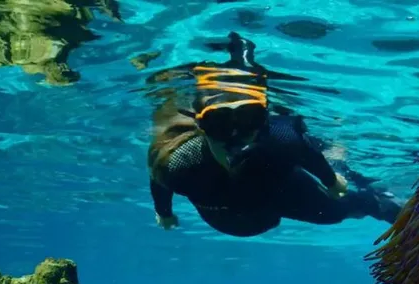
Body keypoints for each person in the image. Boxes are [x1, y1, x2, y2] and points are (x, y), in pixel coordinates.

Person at [146, 32, 404, 237]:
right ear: (201, 126)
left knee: (336, 212)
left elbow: (309, 155)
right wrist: (163, 212)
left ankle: (379, 202)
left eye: (248, 122)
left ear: (263, 121)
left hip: (277, 195)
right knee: (333, 210)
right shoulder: (180, 163)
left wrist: (332, 180)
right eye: (221, 126)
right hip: (225, 215)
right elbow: (159, 181)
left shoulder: (281, 138)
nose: (234, 138)